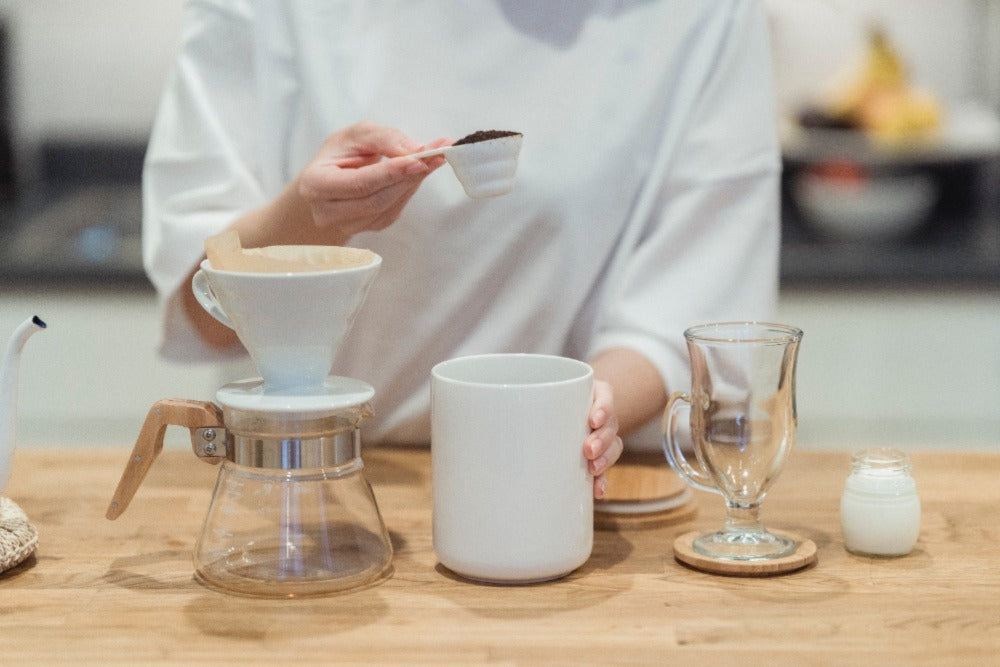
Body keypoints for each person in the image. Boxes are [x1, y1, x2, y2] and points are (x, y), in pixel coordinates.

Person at [143, 1, 782, 500]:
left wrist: (581, 411)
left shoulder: (704, 14)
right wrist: (307, 220)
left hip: (568, 488)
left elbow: (689, 315)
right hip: (311, 482)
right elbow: (204, 313)